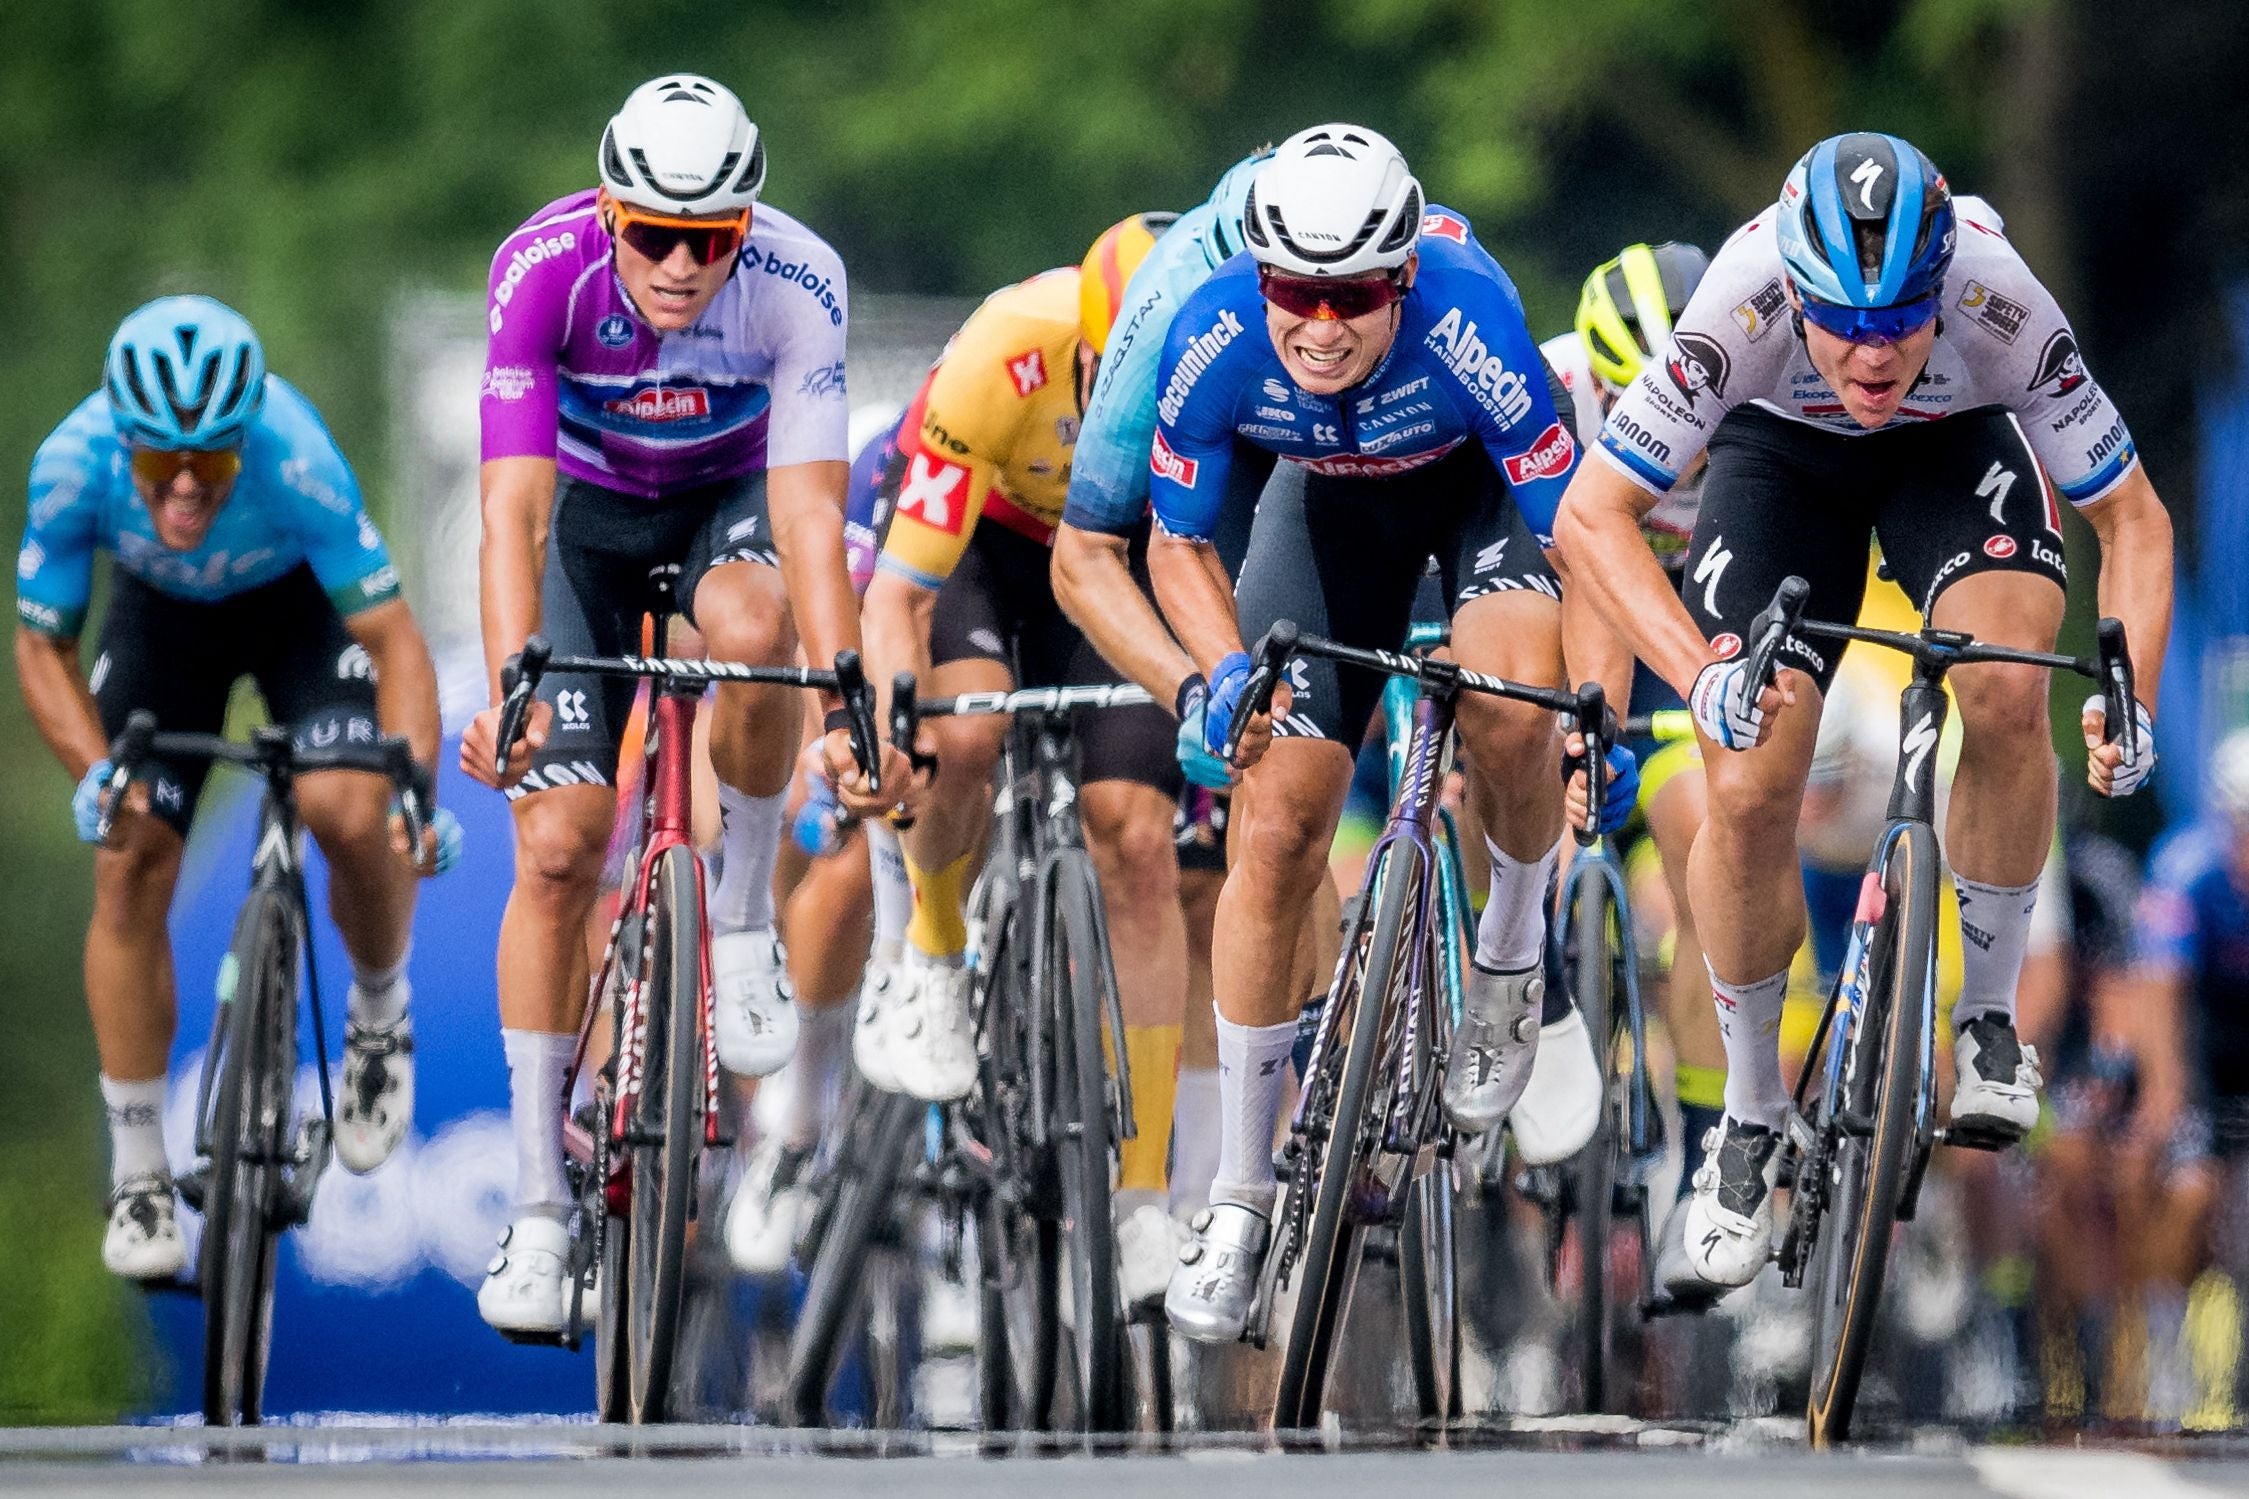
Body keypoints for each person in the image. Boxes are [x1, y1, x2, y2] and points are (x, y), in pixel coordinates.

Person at [1554, 131, 2173, 1301]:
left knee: (2002, 680)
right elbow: (1593, 518)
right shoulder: (1736, 304)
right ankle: (1745, 1121)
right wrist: (1696, 675)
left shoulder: (1997, 298)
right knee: (1741, 775)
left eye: (1899, 320)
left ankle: (1986, 1021)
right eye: (1839, 318)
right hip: (1777, 465)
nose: (1871, 351)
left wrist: (2127, 691)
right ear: (1792, 283)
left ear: (1940, 288)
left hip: (1949, 454)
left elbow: (2131, 518)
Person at [1144, 124, 1632, 1342]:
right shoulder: (1209, 333)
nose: (1318, 323)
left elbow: (1584, 541)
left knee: (1515, 712)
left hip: (1477, 501)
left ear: (1402, 275)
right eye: (1293, 293)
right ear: (1258, 279)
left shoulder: (1472, 320)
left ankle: (1511, 967)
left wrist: (1597, 716)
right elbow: (1175, 541)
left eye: (1351, 293)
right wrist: (1214, 675)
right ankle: (1241, 1192)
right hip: (1324, 519)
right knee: (1277, 825)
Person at [462, 73, 909, 1338]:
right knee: (554, 848)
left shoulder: (798, 277)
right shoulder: (541, 269)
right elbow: (511, 511)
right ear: (608, 215)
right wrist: (518, 683)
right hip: (586, 529)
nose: (672, 261)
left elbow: (814, 514)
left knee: (760, 633)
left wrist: (842, 690)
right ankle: (538, 1208)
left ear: (743, 230)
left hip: (731, 512)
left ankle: (741, 917)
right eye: (648, 232)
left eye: (704, 239)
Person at [16, 296, 449, 1280]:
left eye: (209, 464)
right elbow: (41, 643)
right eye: (155, 463)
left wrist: (411, 783)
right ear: (119, 440)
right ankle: (137, 1170)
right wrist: (94, 773)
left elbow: (393, 641)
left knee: (350, 807)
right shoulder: (70, 463)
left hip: (299, 614)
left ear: (243, 441)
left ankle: (379, 1014)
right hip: (159, 621)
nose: (180, 486)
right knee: (129, 854)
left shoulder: (295, 452)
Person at [856, 212, 1186, 1302]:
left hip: (1131, 562)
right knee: (965, 730)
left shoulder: (1241, 370)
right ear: (1082, 344)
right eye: (1118, 375)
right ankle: (936, 956)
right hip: (987, 550)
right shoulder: (1006, 345)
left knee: (1137, 836)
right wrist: (893, 731)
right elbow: (902, 592)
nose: (1136, 407)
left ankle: (1141, 1201)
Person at [1528, 243, 1736, 1267]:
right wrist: (1570, 738)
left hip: (1677, 630)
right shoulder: (1547, 382)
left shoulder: (1750, 391)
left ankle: (1705, 1148)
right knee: (1520, 778)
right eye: (1622, 392)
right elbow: (1562, 565)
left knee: (1712, 848)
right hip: (1557, 600)